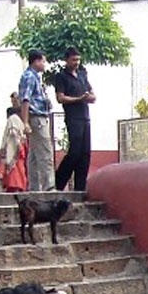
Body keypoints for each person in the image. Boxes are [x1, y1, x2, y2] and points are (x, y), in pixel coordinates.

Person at [52, 47, 96, 191]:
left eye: (78, 59)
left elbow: (93, 94)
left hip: (85, 117)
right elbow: (60, 97)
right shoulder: (61, 76)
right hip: (73, 117)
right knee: (74, 152)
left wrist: (89, 97)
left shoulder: (82, 74)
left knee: (85, 154)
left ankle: (80, 188)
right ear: (66, 60)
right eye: (73, 60)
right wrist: (79, 99)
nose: (76, 62)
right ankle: (59, 183)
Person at [18, 49, 54, 192]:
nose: (44, 64)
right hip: (36, 118)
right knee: (45, 152)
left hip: (36, 117)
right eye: (43, 61)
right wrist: (25, 121)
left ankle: (34, 186)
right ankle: (48, 186)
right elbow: (25, 99)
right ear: (37, 61)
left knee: (33, 155)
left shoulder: (34, 77)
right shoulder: (30, 77)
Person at [1, 105, 28, 192]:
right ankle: (18, 185)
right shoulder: (18, 120)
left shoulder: (13, 119)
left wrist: (17, 144)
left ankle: (15, 185)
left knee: (15, 167)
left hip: (15, 146)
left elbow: (13, 133)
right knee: (19, 168)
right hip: (20, 146)